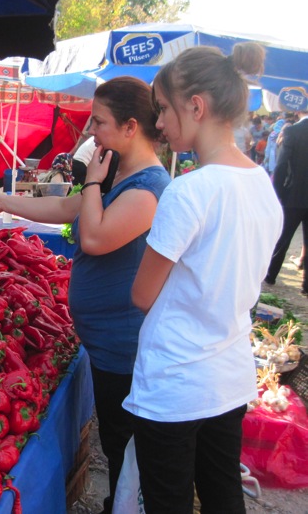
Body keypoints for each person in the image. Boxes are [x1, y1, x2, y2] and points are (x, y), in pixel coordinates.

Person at [0, 77, 170, 514]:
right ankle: (117, 503)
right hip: (105, 345)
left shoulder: (149, 188)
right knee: (118, 441)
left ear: (130, 127)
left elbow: (97, 238)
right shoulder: (122, 174)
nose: (90, 133)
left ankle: (124, 507)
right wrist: (4, 201)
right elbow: (69, 209)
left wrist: (94, 182)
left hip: (125, 346)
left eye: (98, 123)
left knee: (125, 444)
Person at [124, 43, 282, 514]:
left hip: (175, 381)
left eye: (164, 109)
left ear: (197, 106)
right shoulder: (263, 187)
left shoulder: (189, 191)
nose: (159, 125)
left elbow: (141, 294)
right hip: (228, 377)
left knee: (168, 501)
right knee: (221, 494)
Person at [264, 109, 308, 293]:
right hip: (295, 194)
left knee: (282, 237)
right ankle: (306, 286)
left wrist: (278, 195)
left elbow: (281, 165)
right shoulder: (293, 131)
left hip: (293, 195)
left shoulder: (294, 131)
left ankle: (271, 275)